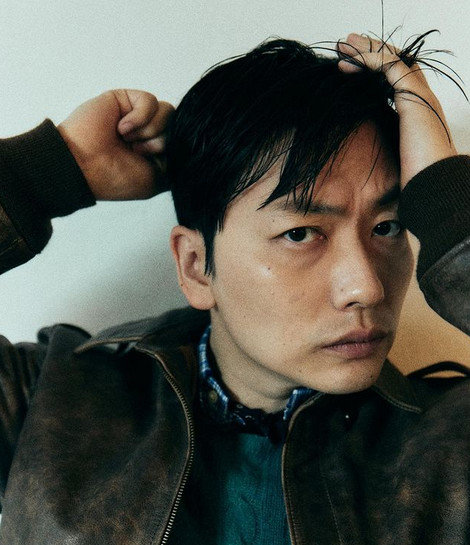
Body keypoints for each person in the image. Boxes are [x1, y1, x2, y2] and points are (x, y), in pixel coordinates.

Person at [0, 31, 469, 544]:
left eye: (388, 227)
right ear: (197, 267)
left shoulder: (452, 445)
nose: (366, 287)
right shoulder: (50, 402)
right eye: (300, 234)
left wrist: (445, 201)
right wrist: (50, 169)